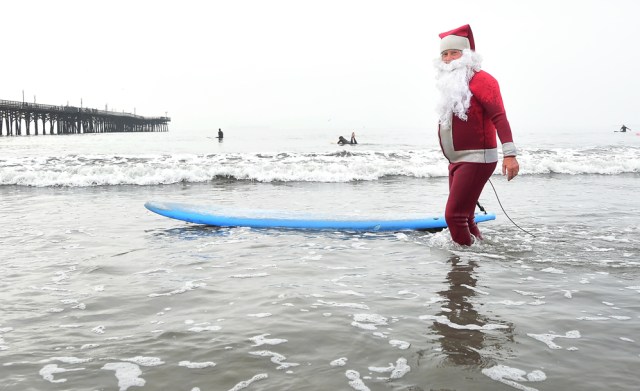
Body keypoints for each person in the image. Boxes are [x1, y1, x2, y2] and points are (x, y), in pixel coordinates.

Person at [435, 24, 519, 245]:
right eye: (445, 54)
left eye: (454, 52)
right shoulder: (450, 83)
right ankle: (479, 253)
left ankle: (462, 265)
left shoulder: (483, 80)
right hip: (457, 161)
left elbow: (499, 117)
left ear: (467, 54)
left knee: (453, 217)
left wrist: (509, 154)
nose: (449, 58)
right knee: (465, 216)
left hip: (476, 158)